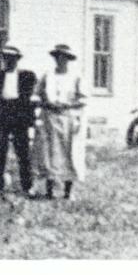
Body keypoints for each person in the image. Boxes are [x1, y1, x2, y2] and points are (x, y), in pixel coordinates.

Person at [35, 43, 86, 200]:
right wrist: (45, 103)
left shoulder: (76, 77)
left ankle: (67, 192)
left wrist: (68, 105)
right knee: (49, 152)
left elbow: (83, 99)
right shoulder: (47, 76)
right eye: (58, 57)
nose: (60, 60)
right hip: (49, 117)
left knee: (68, 152)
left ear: (68, 60)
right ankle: (49, 191)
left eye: (64, 58)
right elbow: (36, 95)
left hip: (67, 118)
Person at [0, 45, 38, 195]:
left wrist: (29, 117)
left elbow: (30, 97)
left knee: (23, 153)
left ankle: (27, 186)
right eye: (7, 58)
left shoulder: (26, 76)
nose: (9, 61)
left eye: (13, 58)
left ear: (18, 59)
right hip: (2, 115)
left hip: (19, 116)